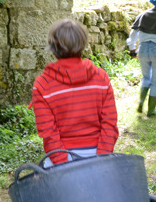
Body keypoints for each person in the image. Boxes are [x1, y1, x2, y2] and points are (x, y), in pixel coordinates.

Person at [30, 19, 119, 167]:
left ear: (53, 46)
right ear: (83, 43)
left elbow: (48, 133)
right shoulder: (101, 77)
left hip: (61, 158)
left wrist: (64, 165)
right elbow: (110, 124)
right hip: (98, 154)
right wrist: (102, 158)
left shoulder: (42, 85)